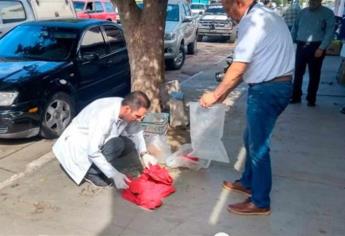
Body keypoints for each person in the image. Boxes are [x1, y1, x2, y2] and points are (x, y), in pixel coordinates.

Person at [199, 0, 294, 215]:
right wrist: (223, 94)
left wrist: (215, 94)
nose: (227, 15)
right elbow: (251, 66)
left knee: (258, 147)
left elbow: (239, 66)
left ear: (239, 3)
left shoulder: (252, 22)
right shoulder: (266, 16)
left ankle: (260, 202)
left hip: (267, 90)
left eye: (226, 9)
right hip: (275, 86)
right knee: (249, 138)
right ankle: (249, 182)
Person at [52, 91, 158, 188]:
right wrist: (114, 174)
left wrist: (144, 154)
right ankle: (91, 172)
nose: (139, 120)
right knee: (117, 144)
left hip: (97, 137)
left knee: (127, 144)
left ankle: (101, 167)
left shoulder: (125, 107)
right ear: (127, 109)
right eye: (138, 116)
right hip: (77, 143)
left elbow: (136, 131)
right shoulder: (104, 116)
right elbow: (93, 152)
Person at [290, 0, 335, 106]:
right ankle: (296, 96)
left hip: (316, 46)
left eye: (314, 0)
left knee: (314, 74)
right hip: (301, 45)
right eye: (310, 1)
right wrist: (291, 42)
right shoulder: (302, 12)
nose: (312, 2)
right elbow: (295, 27)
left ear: (320, 1)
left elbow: (330, 32)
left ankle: (311, 98)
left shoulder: (327, 13)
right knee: (298, 73)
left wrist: (322, 48)